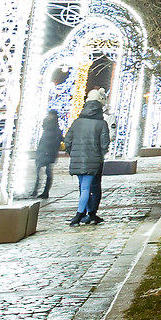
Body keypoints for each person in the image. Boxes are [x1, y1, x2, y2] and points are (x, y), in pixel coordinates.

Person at [65, 93, 110, 226]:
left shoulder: (77, 122)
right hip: (94, 160)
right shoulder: (101, 124)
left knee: (83, 187)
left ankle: (90, 214)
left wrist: (73, 153)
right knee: (87, 188)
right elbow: (105, 144)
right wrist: (100, 155)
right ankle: (78, 216)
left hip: (77, 159)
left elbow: (67, 140)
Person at [32, 108, 63, 199]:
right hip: (43, 151)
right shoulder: (47, 127)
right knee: (39, 172)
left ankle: (44, 192)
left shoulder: (55, 129)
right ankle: (36, 190)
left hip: (49, 152)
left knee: (47, 172)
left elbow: (59, 140)